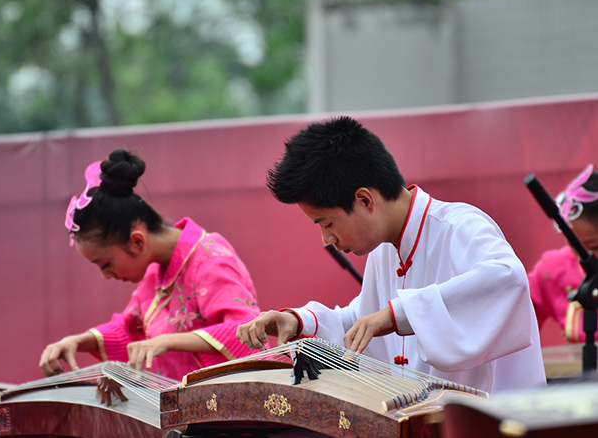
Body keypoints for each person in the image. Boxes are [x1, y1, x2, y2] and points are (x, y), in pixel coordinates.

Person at [236, 116, 546, 394]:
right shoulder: (384, 250)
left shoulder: (458, 226)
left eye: (326, 223)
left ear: (365, 200)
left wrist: (397, 314)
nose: (327, 239)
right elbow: (362, 322)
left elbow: (509, 279)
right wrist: (297, 320)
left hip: (496, 423)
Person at [40, 149, 261, 380]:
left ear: (137, 241)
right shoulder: (155, 270)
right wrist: (78, 341)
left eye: (105, 264)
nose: (106, 275)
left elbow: (247, 330)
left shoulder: (211, 257)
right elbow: (129, 330)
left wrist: (167, 341)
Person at [528, 164, 598, 343]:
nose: (584, 255)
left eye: (595, 245)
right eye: (573, 244)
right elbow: (518, 313)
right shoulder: (552, 269)